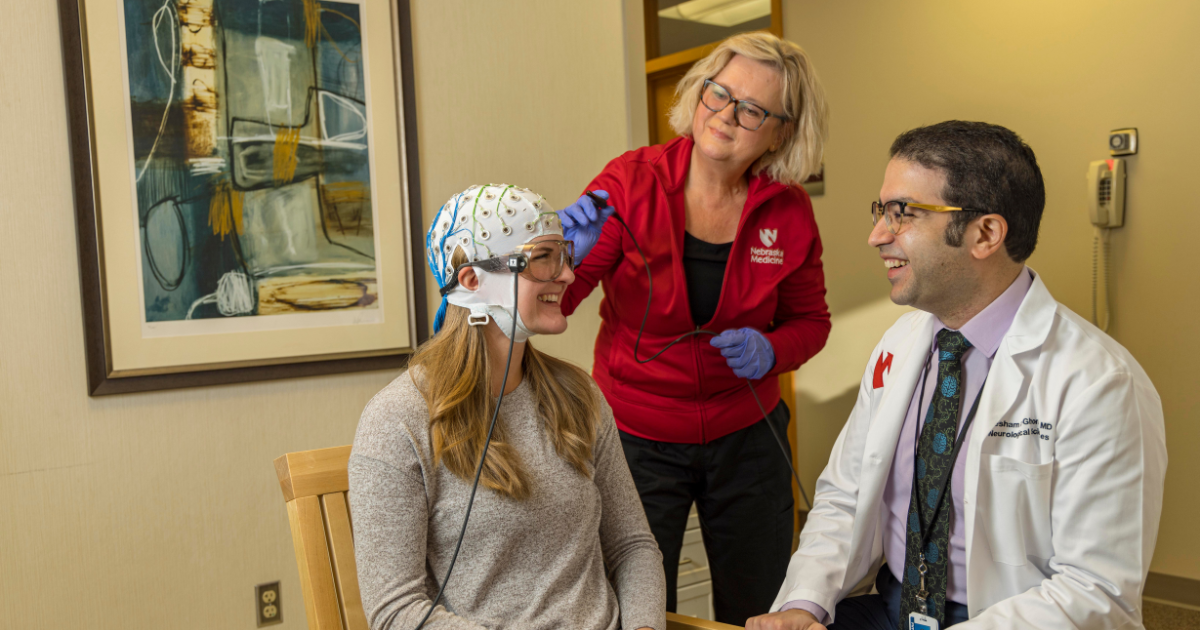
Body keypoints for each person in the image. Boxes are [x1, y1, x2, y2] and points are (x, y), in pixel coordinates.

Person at [747, 121, 1167, 630]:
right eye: (881, 211)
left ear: (985, 234)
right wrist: (804, 604)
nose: (877, 235)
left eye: (902, 214)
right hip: (894, 607)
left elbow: (1096, 592)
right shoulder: (900, 346)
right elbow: (845, 496)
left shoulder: (1100, 382)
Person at [554, 32, 832, 626]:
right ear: (698, 91)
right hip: (636, 436)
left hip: (748, 437)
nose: (726, 116)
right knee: (638, 608)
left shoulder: (787, 211)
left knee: (759, 606)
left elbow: (811, 323)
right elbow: (561, 299)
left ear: (782, 131)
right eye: (719, 93)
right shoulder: (629, 184)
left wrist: (773, 350)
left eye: (752, 109)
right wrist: (556, 259)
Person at [348, 185, 666, 630]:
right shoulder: (398, 419)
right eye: (543, 258)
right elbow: (396, 612)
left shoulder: (578, 395)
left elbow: (633, 546)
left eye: (564, 255)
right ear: (472, 281)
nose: (568, 276)